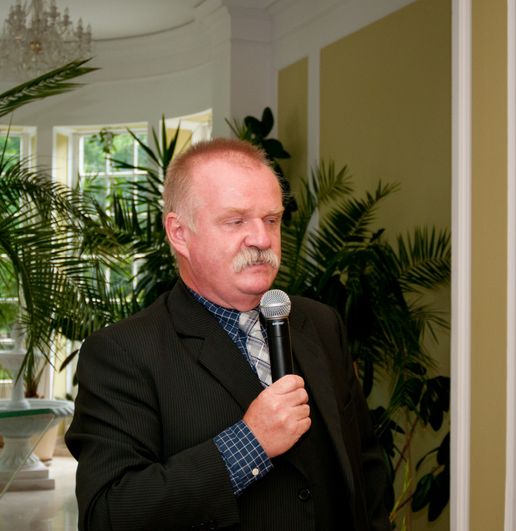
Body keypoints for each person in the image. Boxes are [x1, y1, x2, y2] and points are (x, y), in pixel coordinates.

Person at [65, 138, 391, 531]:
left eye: (271, 220)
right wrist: (249, 443)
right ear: (179, 233)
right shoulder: (123, 352)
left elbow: (366, 469)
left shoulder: (320, 324)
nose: (262, 239)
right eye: (236, 221)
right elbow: (109, 514)